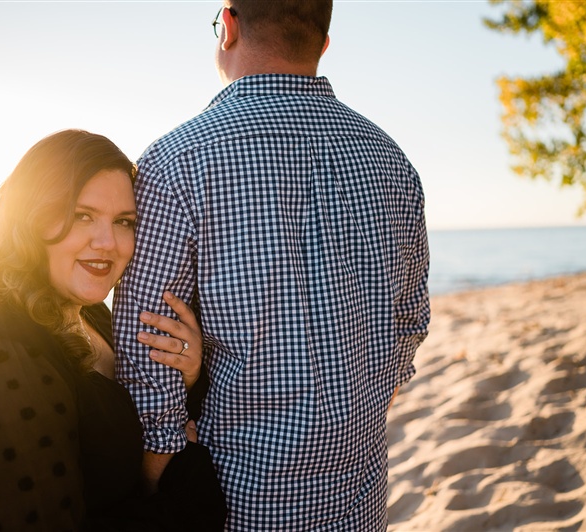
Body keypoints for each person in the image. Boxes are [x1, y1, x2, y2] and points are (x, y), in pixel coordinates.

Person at [112, 1, 430, 529]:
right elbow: (409, 322)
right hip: (358, 494)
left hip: (231, 500)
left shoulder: (176, 160)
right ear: (323, 45)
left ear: (229, 26)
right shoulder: (393, 162)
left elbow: (145, 343)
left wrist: (157, 476)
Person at [0, 129, 226, 531]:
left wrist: (186, 377)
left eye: (124, 222)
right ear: (29, 218)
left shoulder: (90, 314)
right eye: (82, 215)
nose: (107, 242)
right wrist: (189, 502)